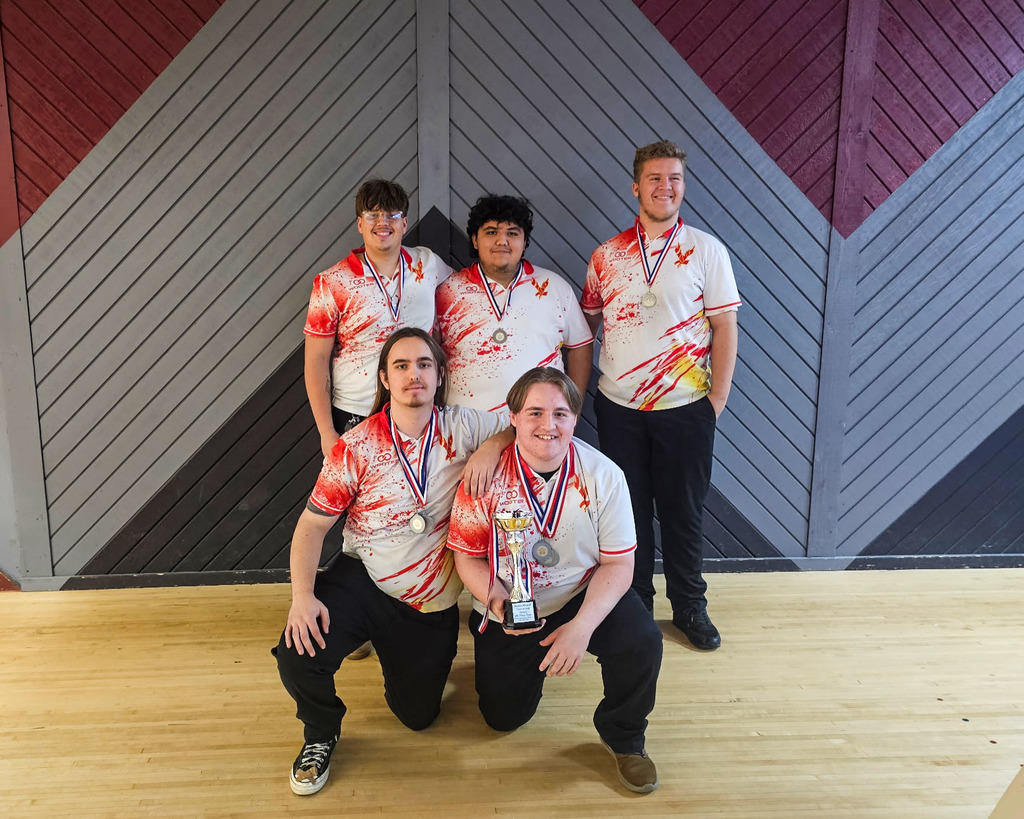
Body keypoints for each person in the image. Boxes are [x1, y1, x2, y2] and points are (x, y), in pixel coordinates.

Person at [273, 328, 511, 797]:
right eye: (401, 366)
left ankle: (388, 649)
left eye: (424, 364)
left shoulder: (466, 427)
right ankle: (321, 732)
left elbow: (520, 426)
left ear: (440, 374)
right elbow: (311, 528)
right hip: (365, 580)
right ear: (384, 377)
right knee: (297, 653)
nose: (413, 374)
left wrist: (493, 445)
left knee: (417, 717)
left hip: (430, 602)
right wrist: (302, 598)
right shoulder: (355, 447)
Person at [447, 368, 663, 794]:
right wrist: (495, 602)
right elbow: (466, 556)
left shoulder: (603, 475)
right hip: (511, 603)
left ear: (575, 419)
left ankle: (624, 736)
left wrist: (581, 629)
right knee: (501, 719)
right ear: (513, 417)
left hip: (581, 593)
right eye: (535, 413)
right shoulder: (483, 476)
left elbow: (620, 566)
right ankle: (524, 668)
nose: (549, 425)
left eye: (561, 414)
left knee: (643, 641)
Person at [581, 140, 740, 651]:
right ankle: (636, 607)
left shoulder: (706, 250)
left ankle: (690, 607)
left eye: (674, 178)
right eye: (655, 178)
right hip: (619, 407)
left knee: (683, 512)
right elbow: (585, 325)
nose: (665, 187)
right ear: (636, 187)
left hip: (686, 408)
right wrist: (587, 390)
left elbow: (725, 326)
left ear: (682, 186)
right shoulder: (606, 256)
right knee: (627, 513)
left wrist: (716, 399)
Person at [304, 178, 452, 458]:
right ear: (360, 224)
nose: (383, 222)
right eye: (373, 215)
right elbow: (315, 361)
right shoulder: (332, 282)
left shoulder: (428, 264)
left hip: (418, 409)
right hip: (356, 412)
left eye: (392, 214)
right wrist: (326, 433)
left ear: (404, 224)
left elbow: (466, 295)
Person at [435, 194, 593, 411]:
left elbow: (581, 346)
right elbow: (428, 354)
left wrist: (570, 409)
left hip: (538, 426)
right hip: (463, 426)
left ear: (525, 240)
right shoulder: (447, 291)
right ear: (474, 239)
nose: (502, 241)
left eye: (512, 233)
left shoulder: (554, 287)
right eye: (491, 232)